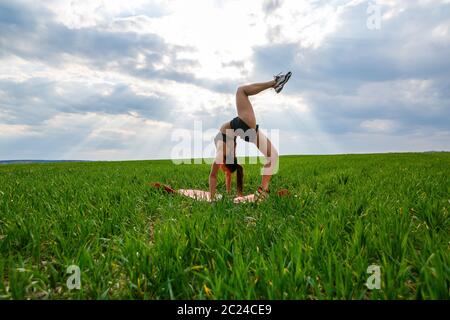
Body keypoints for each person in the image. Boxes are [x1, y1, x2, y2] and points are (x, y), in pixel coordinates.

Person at [209, 71, 292, 201]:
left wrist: (214, 198)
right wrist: (217, 197)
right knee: (240, 90)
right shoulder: (225, 155)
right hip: (244, 126)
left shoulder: (223, 155)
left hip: (244, 128)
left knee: (273, 156)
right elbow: (219, 174)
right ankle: (275, 82)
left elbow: (218, 175)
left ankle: (263, 191)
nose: (222, 169)